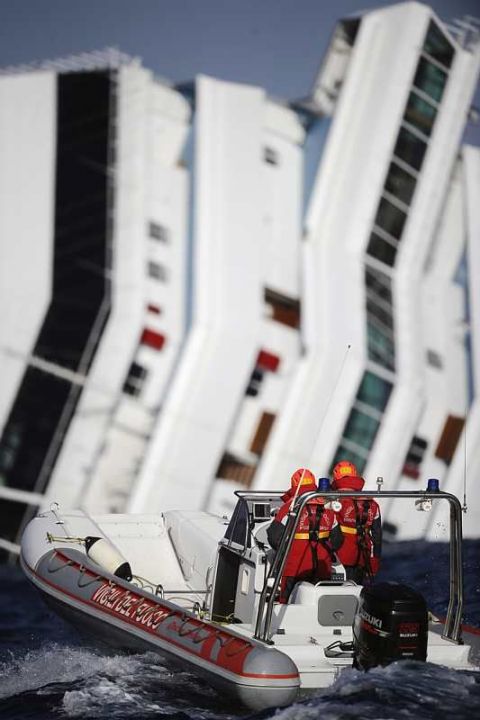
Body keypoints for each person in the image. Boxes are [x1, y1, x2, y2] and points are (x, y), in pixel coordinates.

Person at [267, 468, 343, 602]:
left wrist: (286, 553)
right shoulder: (328, 507)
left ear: (294, 486)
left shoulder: (290, 507)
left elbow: (274, 537)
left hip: (294, 569)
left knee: (287, 605)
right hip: (321, 569)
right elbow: (338, 540)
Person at [331, 460, 382, 583]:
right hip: (361, 559)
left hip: (336, 559)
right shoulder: (372, 504)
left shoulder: (332, 500)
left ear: (336, 477)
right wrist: (374, 563)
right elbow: (377, 537)